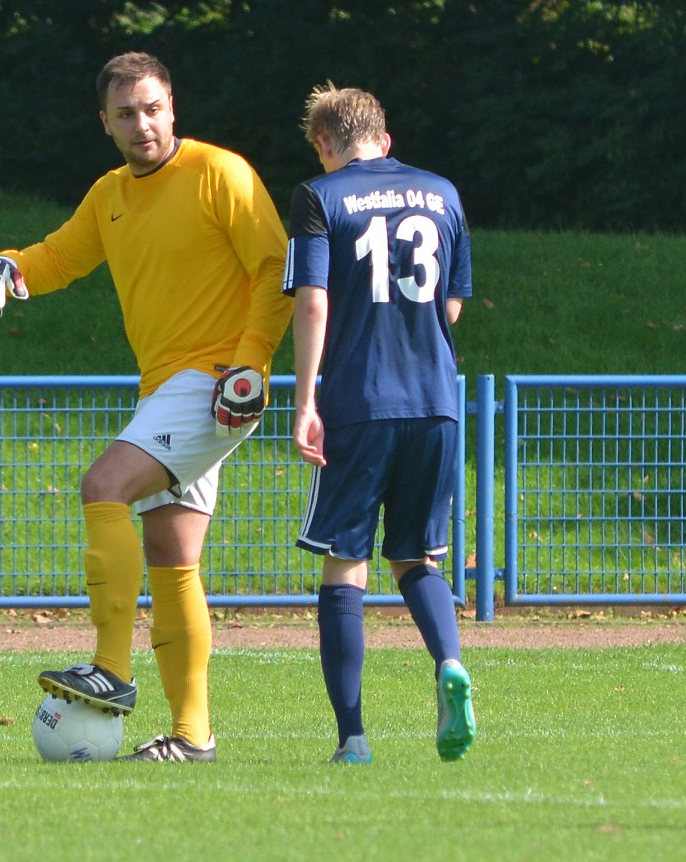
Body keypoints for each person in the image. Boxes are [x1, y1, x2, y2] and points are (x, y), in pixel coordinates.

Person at [0, 51, 291, 762]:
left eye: (152, 108)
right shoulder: (110, 192)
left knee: (102, 485)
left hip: (214, 384)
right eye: (125, 114)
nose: (142, 124)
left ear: (172, 108)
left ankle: (110, 669)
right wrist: (12, 264)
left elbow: (275, 266)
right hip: (168, 390)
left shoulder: (219, 173)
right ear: (105, 123)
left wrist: (252, 365)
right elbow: (59, 257)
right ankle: (192, 738)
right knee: (173, 559)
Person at [284, 83, 476, 764]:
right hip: (437, 401)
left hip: (360, 403)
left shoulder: (319, 196)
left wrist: (305, 399)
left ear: (324, 144)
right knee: (417, 558)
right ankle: (449, 662)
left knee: (346, 566)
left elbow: (313, 304)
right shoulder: (443, 192)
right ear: (385, 140)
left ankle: (354, 739)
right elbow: (452, 306)